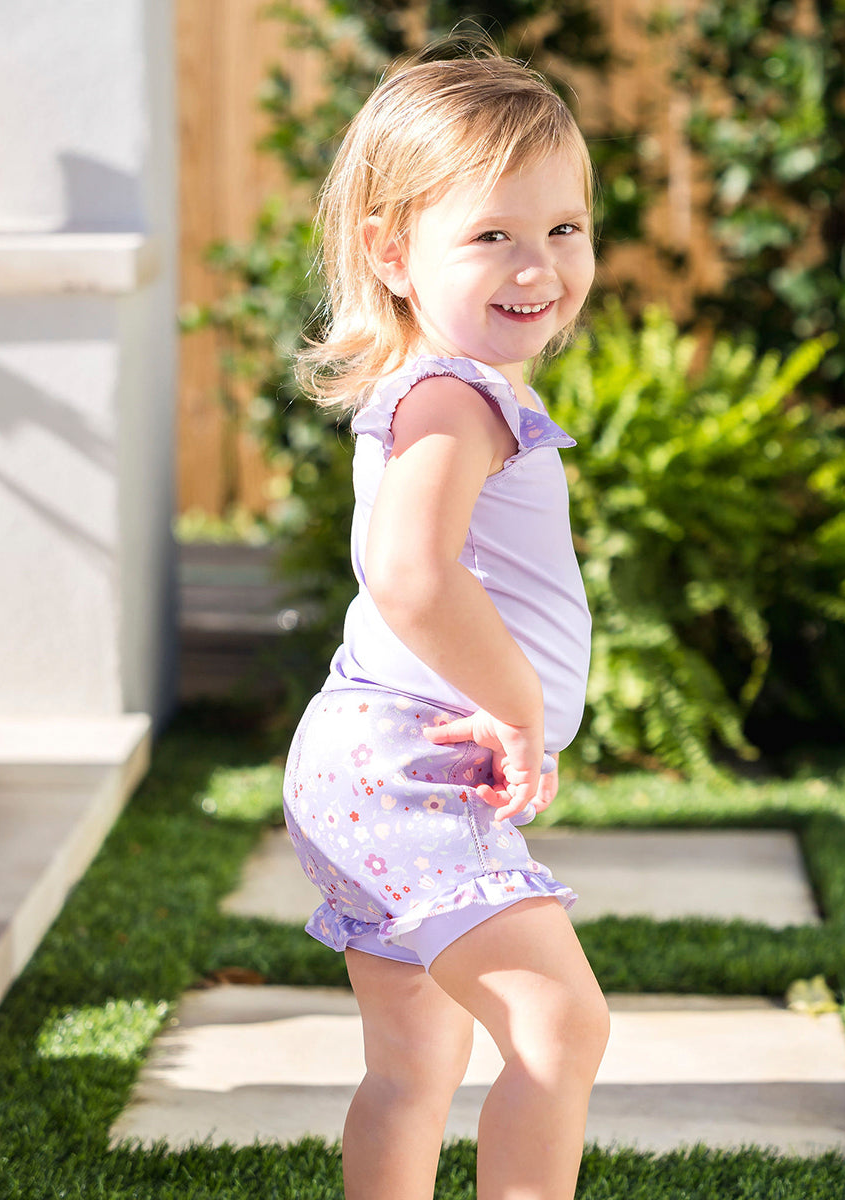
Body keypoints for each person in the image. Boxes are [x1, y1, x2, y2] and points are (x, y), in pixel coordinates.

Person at [282, 43, 610, 1200]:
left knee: (417, 1063)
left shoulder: (440, 385)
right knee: (559, 1029)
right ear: (391, 250)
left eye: (564, 229)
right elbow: (407, 572)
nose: (540, 265)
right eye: (493, 235)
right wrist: (518, 707)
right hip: (407, 760)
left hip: (365, 757)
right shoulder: (458, 395)